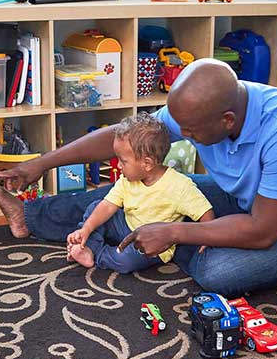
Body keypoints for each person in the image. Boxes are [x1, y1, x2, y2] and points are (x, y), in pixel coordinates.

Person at [0, 59, 277, 297]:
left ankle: (159, 240)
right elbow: (127, 140)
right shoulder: (201, 111)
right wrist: (42, 163)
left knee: (219, 272)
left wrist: (173, 230)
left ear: (227, 120)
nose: (183, 135)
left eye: (190, 132)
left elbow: (263, 230)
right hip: (244, 201)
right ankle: (28, 218)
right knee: (130, 186)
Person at [65, 113, 215, 272]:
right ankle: (87, 245)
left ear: (147, 163)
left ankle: (97, 255)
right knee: (95, 207)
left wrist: (207, 236)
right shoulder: (126, 179)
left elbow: (204, 211)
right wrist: (86, 229)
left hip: (152, 244)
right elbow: (108, 205)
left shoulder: (179, 186)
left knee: (126, 261)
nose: (119, 166)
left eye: (123, 161)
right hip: (125, 225)